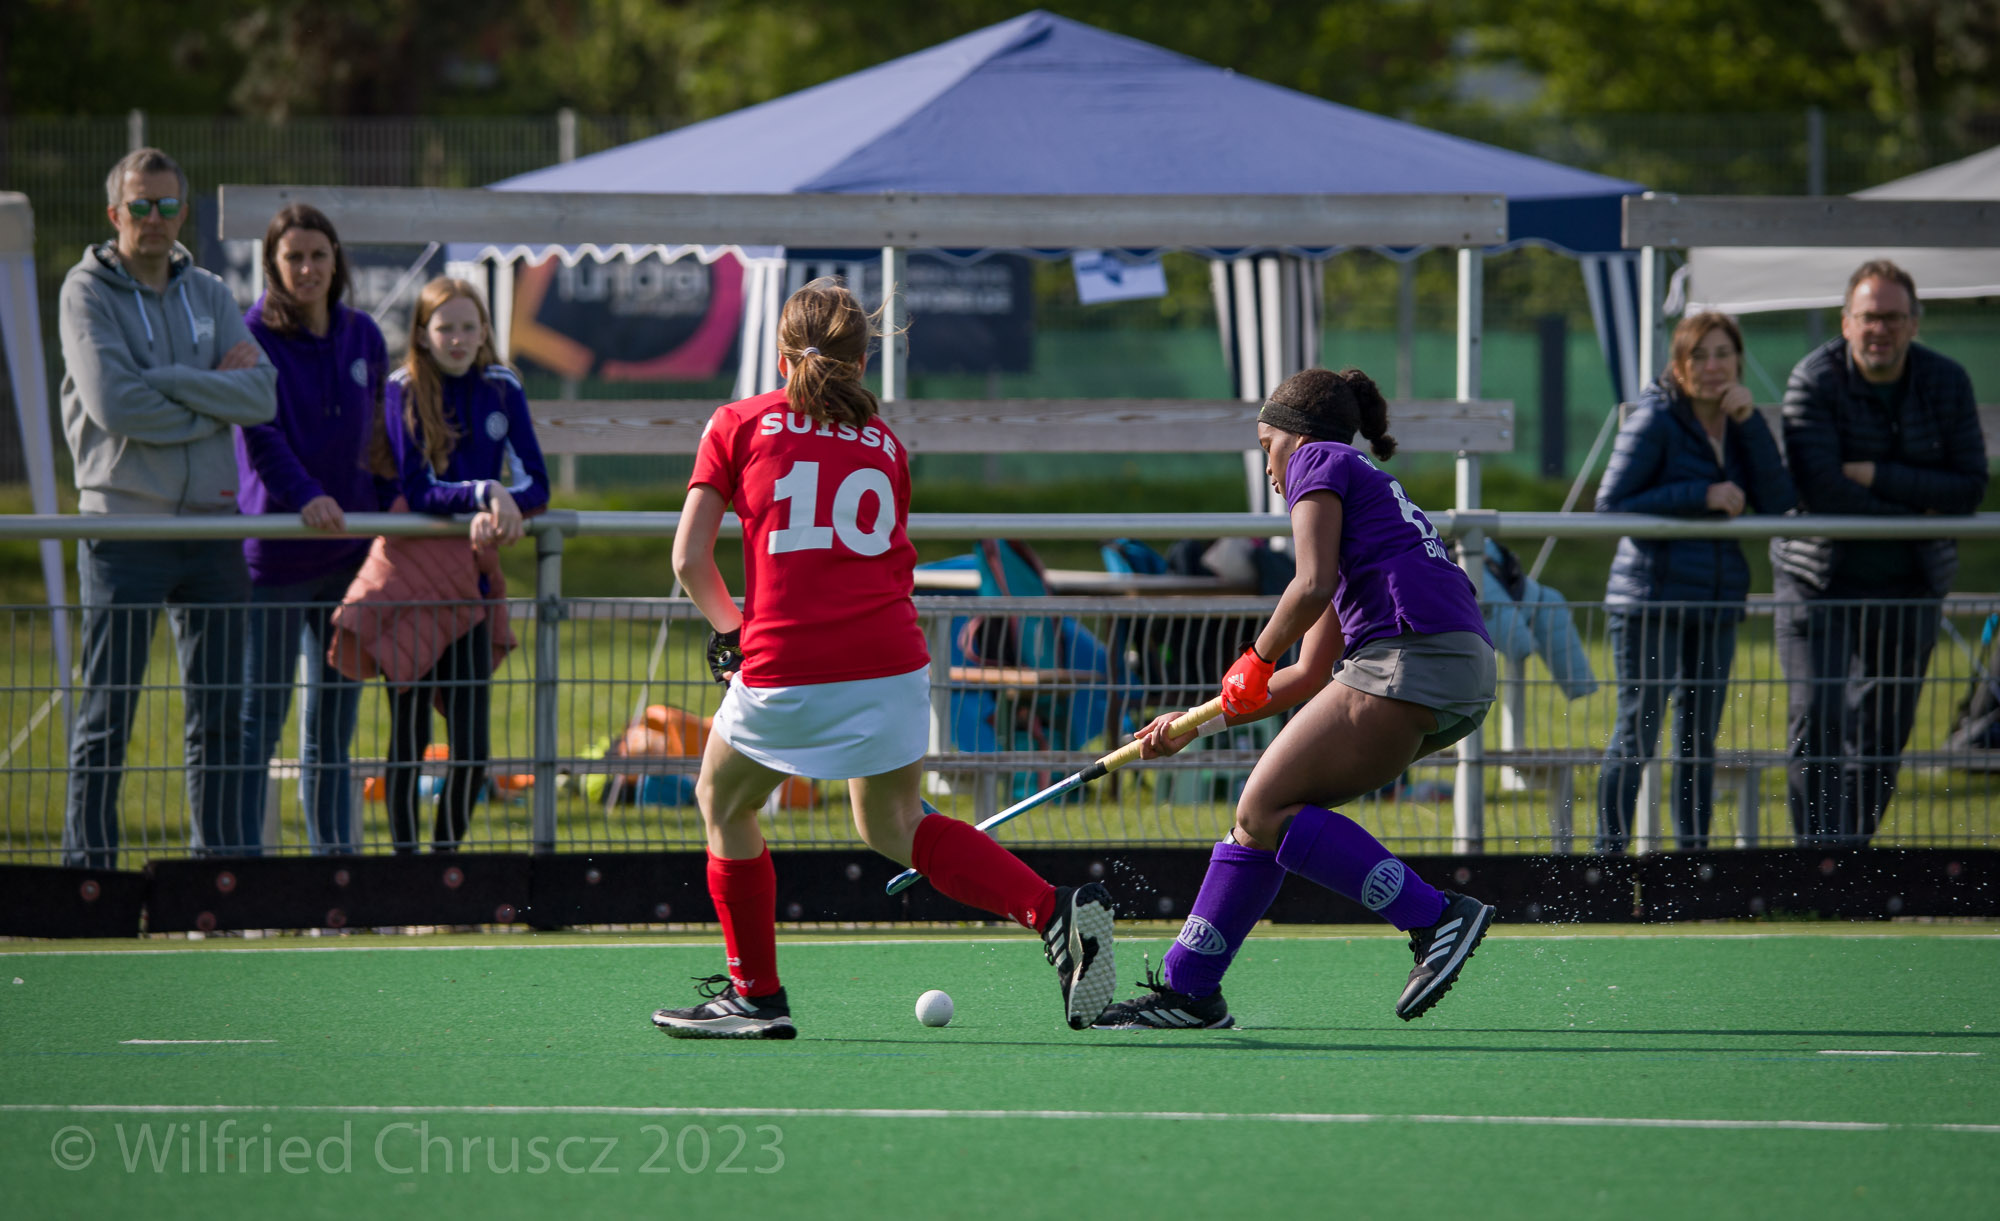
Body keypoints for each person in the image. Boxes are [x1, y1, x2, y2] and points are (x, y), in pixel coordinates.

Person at [652, 277, 1116, 1039]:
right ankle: (1051, 909)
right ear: (863, 364)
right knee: (894, 821)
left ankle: (755, 994)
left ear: (779, 356)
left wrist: (732, 632)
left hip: (792, 662)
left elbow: (688, 559)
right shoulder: (887, 444)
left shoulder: (736, 422)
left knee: (724, 802)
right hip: (895, 662)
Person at [1095, 367, 1497, 1030]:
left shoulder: (1318, 458)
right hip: (1451, 668)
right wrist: (1195, 722)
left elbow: (1307, 585)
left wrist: (1254, 655)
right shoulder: (1361, 503)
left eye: (1266, 447)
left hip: (1414, 657)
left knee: (1263, 803)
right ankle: (1189, 988)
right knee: (1262, 818)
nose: (1270, 470)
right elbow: (1309, 673)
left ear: (1297, 437)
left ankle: (1436, 916)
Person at [58, 147, 277, 867]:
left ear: (183, 212)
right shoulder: (85, 292)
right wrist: (212, 397)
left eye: (168, 205)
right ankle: (89, 879)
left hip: (213, 528)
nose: (154, 219)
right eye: (140, 206)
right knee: (107, 715)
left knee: (221, 719)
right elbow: (115, 404)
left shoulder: (209, 292)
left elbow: (262, 395)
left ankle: (216, 879)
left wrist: (169, 380)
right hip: (125, 527)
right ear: (114, 213)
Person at [1774, 260, 1988, 845]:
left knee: (1883, 732)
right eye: (1869, 317)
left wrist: (1873, 474)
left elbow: (1970, 487)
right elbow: (1820, 489)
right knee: (1817, 716)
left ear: (1915, 323)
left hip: (1909, 582)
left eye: (1893, 318)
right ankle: (1814, 861)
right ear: (1846, 322)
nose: (1880, 330)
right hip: (1817, 578)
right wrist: (1918, 503)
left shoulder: (1947, 380)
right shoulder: (1812, 379)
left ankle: (1850, 860)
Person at [1592, 312, 1794, 852]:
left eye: (1723, 353)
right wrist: (1700, 496)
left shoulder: (1741, 420)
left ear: (1739, 360)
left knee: (1699, 740)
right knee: (1637, 732)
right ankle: (1607, 861)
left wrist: (1751, 423)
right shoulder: (1655, 418)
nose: (1712, 366)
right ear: (1678, 365)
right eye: (1698, 356)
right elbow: (1610, 505)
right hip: (1650, 600)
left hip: (1716, 600)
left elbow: (1778, 501)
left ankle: (1692, 864)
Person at [237, 204, 392, 854]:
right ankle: (239, 867)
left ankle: (333, 866)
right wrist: (306, 496)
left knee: (333, 728)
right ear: (272, 265)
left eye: (318, 255)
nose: (307, 269)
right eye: (293, 257)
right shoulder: (251, 335)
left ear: (336, 261)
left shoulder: (364, 335)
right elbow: (261, 434)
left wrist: (393, 510)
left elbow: (383, 435)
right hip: (275, 560)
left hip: (349, 561)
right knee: (258, 721)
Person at [378, 277, 548, 852]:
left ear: (484, 333)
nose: (457, 338)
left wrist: (498, 506)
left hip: (469, 587)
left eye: (468, 327)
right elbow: (418, 488)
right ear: (422, 334)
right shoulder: (402, 388)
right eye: (444, 327)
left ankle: (444, 860)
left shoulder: (502, 386)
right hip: (411, 582)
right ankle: (406, 868)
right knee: (408, 740)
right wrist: (484, 493)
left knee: (472, 748)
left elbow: (536, 483)